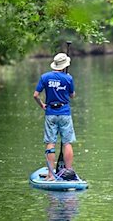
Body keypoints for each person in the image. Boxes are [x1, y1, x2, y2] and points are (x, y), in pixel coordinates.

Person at [33, 53, 76, 181]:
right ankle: (68, 172)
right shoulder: (68, 78)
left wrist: (42, 105)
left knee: (50, 143)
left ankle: (51, 174)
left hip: (50, 113)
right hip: (64, 113)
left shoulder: (45, 77)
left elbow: (35, 95)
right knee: (67, 143)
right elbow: (72, 95)